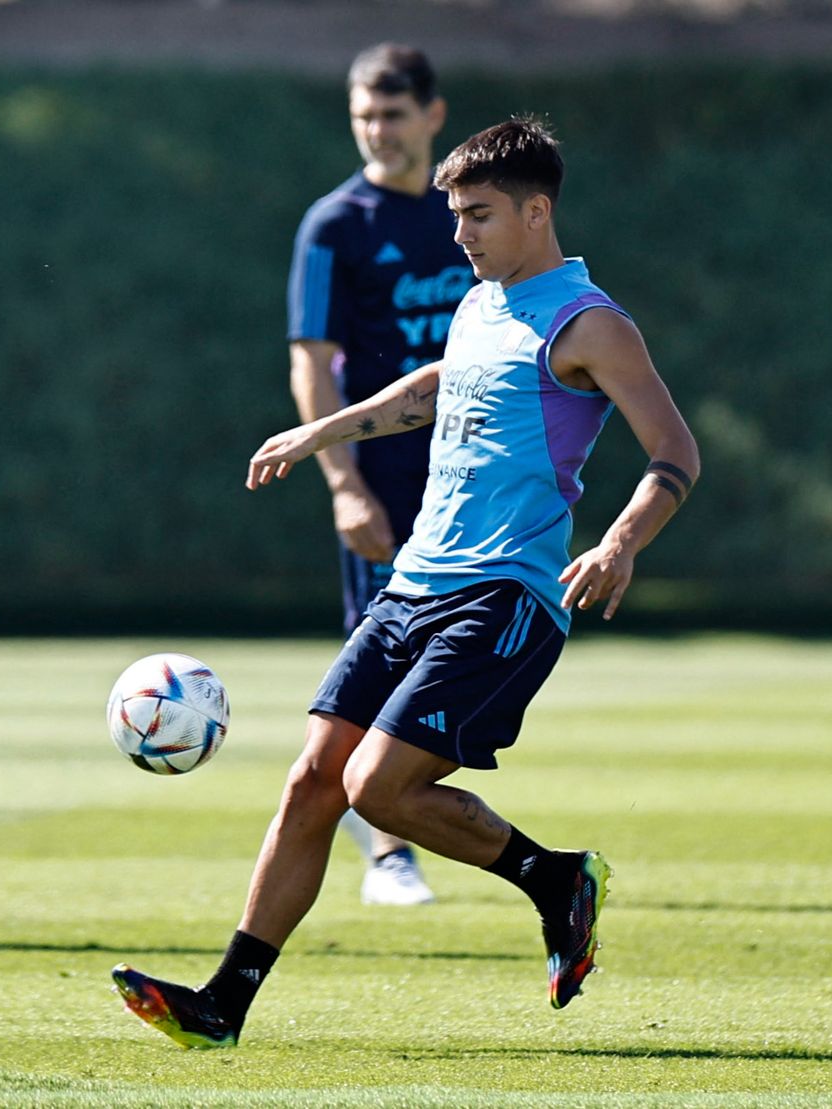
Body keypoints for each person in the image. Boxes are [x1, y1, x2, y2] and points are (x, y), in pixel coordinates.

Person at [112, 117, 698, 1048]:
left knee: (377, 786)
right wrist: (321, 432)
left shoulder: (590, 324)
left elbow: (675, 452)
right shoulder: (481, 304)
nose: (459, 234)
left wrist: (621, 543)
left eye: (478, 215)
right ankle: (222, 1004)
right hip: (409, 588)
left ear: (537, 212)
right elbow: (435, 385)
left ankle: (553, 876)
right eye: (456, 215)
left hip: (502, 596)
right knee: (313, 782)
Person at [285, 43, 474, 907]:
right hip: (385, 479)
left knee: (459, 653)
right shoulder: (336, 224)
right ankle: (388, 852)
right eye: (365, 114)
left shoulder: (467, 214)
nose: (378, 130)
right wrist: (342, 482)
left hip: (473, 475)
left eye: (393, 114)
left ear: (432, 116)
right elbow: (312, 363)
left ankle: (400, 815)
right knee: (385, 650)